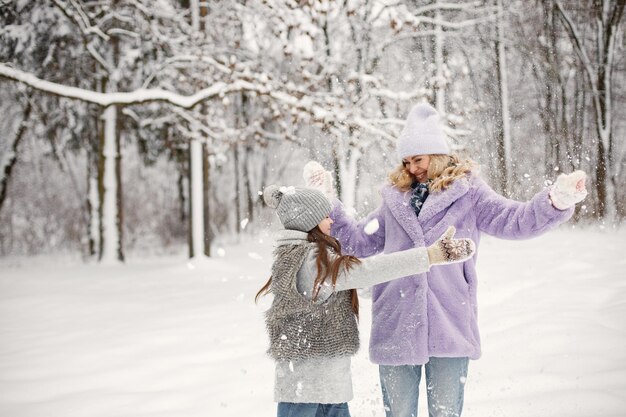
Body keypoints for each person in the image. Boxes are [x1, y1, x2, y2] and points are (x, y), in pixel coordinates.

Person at [303, 103, 587, 417]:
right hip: (397, 318)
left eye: (418, 159)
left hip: (449, 318)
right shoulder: (395, 199)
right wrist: (328, 203)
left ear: (437, 154)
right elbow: (359, 241)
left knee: (446, 413)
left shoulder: (470, 194)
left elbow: (514, 220)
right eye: (407, 161)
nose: (412, 169)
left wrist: (555, 203)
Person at [256, 184, 477, 417]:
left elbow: (358, 280)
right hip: (306, 391)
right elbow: (365, 271)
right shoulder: (310, 262)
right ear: (309, 221)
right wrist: (429, 256)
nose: (331, 221)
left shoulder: (310, 257)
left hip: (326, 388)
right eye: (324, 216)